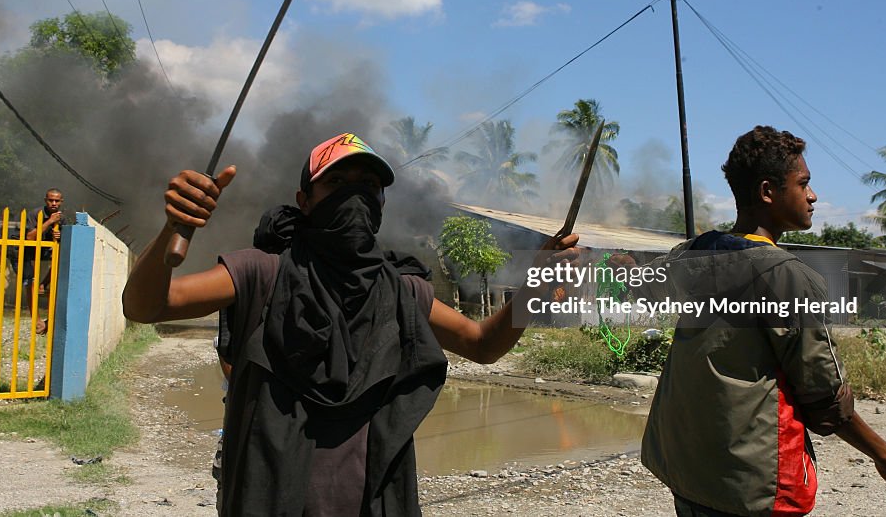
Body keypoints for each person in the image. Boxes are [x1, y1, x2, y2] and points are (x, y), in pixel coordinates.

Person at [122, 132, 577, 516]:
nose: (353, 194)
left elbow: (482, 345)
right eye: (335, 182)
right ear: (305, 201)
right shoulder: (262, 272)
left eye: (368, 185)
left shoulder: (402, 291)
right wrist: (172, 227)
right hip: (269, 500)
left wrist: (538, 280)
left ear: (380, 202)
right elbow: (148, 305)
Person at [636, 126, 886, 516]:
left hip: (686, 469)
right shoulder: (787, 276)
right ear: (768, 192)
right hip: (752, 483)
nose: (812, 195)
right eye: (803, 183)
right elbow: (823, 393)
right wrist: (882, 453)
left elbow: (640, 288)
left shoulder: (692, 254)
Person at [25, 188, 64, 334]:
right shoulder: (35, 214)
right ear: (45, 200)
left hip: (45, 251)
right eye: (50, 200)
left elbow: (63, 241)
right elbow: (29, 237)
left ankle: (44, 284)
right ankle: (36, 321)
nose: (54, 203)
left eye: (57, 201)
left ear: (61, 202)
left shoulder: (62, 218)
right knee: (29, 283)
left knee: (61, 258)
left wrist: (60, 235)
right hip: (26, 251)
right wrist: (50, 222)